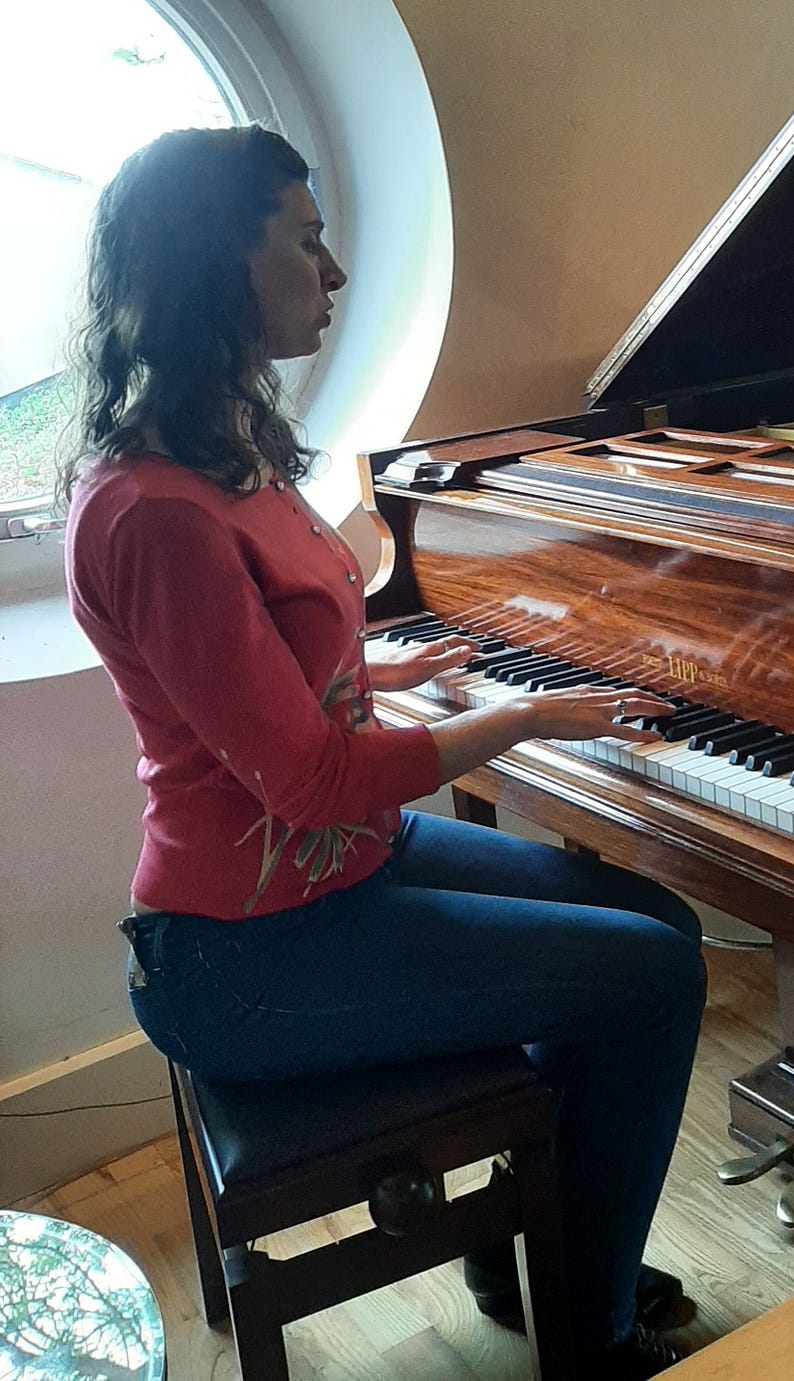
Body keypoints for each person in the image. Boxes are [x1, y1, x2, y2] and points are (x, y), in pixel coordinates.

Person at [62, 125, 705, 1379]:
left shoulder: (226, 449)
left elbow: (280, 673)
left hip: (344, 867)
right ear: (213, 266)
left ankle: (542, 1250)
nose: (333, 268)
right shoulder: (153, 512)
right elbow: (300, 775)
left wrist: (406, 672)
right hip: (246, 951)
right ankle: (595, 1326)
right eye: (303, 241)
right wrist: (515, 716)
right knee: (649, 983)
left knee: (659, 930)